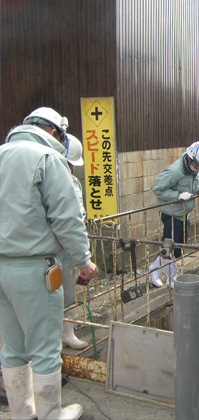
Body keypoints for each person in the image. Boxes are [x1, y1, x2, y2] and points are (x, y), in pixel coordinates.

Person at [0, 106, 98, 420]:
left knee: (13, 347)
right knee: (44, 350)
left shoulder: (2, 154)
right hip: (36, 269)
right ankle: (51, 415)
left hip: (2, 268)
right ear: (56, 132)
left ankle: (22, 413)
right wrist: (84, 261)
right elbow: (67, 219)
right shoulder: (48, 159)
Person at [152, 141, 199, 261]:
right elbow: (158, 189)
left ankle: (173, 273)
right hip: (172, 216)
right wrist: (177, 196)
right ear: (189, 158)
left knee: (179, 248)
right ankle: (158, 272)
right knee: (169, 250)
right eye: (197, 164)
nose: (198, 168)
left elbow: (192, 185)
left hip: (184, 215)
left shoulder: (192, 170)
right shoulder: (175, 171)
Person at [58, 134, 89, 350]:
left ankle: (67, 333)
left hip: (68, 247)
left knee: (69, 292)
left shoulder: (73, 181)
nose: (70, 167)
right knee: (49, 296)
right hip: (53, 247)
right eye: (68, 163)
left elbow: (77, 215)